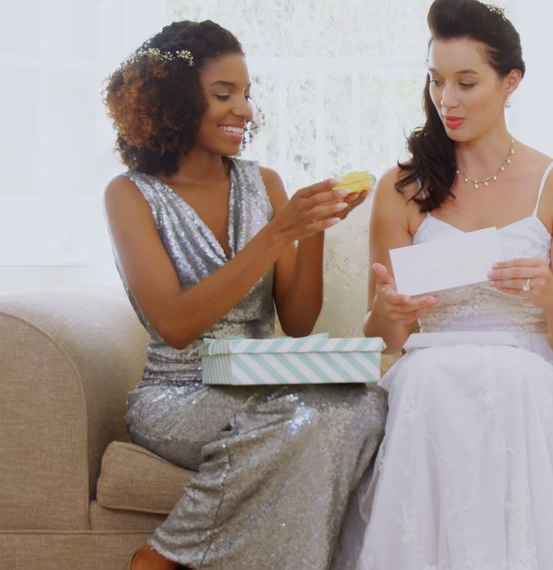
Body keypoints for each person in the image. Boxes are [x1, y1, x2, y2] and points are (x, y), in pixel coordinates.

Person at [103, 20, 386, 569]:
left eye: (248, 94)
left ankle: (167, 552)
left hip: (265, 380)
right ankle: (166, 557)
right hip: (179, 391)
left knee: (367, 405)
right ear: (174, 101)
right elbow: (175, 324)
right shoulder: (130, 195)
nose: (246, 111)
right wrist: (278, 233)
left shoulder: (266, 183)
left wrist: (315, 226)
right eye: (224, 95)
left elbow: (299, 322)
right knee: (310, 416)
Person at [350, 0, 553, 568]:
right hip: (431, 360)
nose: (447, 99)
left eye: (466, 82)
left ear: (510, 82)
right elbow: (382, 343)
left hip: (533, 363)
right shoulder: (402, 186)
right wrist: (391, 309)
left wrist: (549, 295)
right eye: (437, 80)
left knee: (506, 375)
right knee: (426, 378)